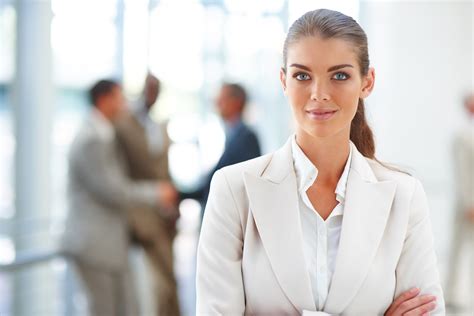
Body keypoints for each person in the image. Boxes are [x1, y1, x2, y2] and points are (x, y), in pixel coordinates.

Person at [196, 9, 445, 315]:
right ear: (283, 81)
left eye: (339, 75)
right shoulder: (234, 190)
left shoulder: (404, 196)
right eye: (302, 75)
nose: (319, 94)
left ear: (367, 82)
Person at [61, 79, 177, 316]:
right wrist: (156, 193)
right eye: (119, 97)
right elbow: (113, 190)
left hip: (107, 244)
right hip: (94, 243)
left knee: (124, 307)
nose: (124, 103)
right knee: (104, 310)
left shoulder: (103, 132)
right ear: (104, 100)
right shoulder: (92, 139)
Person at [114, 73, 181, 316]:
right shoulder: (124, 125)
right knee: (154, 284)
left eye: (157, 91)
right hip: (141, 218)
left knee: (169, 277)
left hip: (165, 214)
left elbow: (165, 171)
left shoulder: (158, 126)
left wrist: (174, 205)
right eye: (150, 89)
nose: (153, 95)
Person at [180, 83, 261, 210]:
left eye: (222, 99)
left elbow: (241, 185)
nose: (216, 103)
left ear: (237, 102)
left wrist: (180, 195)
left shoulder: (246, 138)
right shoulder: (233, 135)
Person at [445, 93, 474, 308]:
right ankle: (451, 293)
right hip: (467, 204)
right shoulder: (462, 135)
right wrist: (469, 203)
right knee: (458, 248)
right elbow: (463, 172)